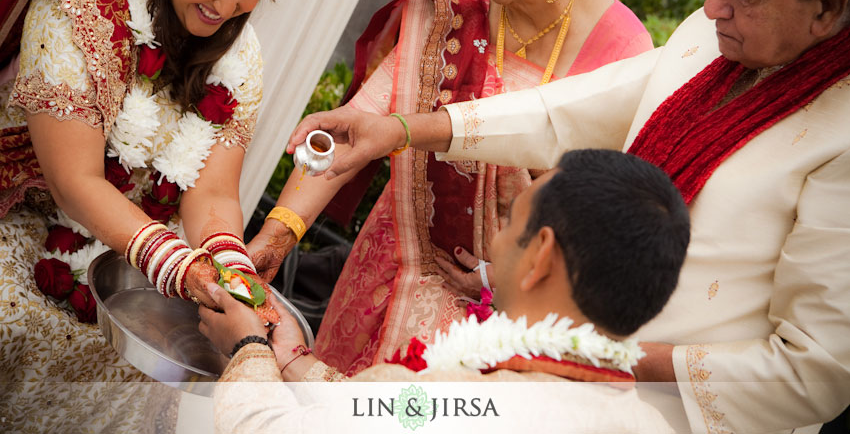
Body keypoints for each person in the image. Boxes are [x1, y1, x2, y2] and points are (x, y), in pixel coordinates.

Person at [288, 0, 850, 433]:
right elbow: (569, 111)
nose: (710, 7)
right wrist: (403, 130)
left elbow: (816, 371)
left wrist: (594, 359)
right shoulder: (710, 40)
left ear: (826, 8)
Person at [248, 0, 652, 377]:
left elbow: (591, 204)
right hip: (396, 257)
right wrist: (280, 233)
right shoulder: (455, 10)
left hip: (500, 303)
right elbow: (361, 125)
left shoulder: (622, 52)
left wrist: (495, 276)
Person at [0, 0, 285, 431]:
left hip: (130, 241)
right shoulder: (81, 8)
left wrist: (230, 271)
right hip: (22, 212)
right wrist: (177, 267)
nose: (228, 7)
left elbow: (211, 190)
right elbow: (72, 182)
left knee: (169, 376)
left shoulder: (240, 54)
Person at [200, 149, 689, 434]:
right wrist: (289, 359)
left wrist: (248, 350)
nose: (494, 244)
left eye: (510, 219)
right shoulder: (645, 422)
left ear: (540, 256)